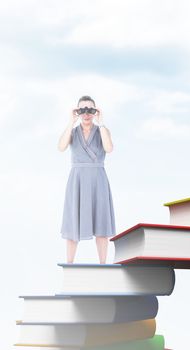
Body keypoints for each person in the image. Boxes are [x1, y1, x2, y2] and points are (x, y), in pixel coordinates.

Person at [58, 96, 116, 264]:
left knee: (101, 223)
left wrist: (102, 122)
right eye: (82, 109)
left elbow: (109, 148)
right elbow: (61, 147)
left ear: (95, 111)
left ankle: (103, 264)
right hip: (77, 179)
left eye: (90, 109)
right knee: (72, 221)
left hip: (98, 179)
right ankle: (69, 264)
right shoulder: (73, 132)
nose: (86, 113)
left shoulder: (102, 131)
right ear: (77, 111)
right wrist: (71, 122)